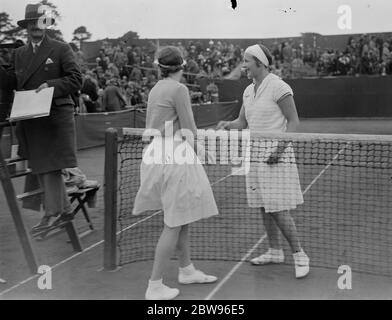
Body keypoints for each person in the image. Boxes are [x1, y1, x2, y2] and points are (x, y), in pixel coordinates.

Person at [132, 46, 219, 300]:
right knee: (174, 223)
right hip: (173, 156)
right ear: (182, 66)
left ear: (160, 67)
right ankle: (155, 285)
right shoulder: (179, 89)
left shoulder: (155, 88)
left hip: (155, 155)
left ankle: (187, 269)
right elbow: (189, 129)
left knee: (180, 218)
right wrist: (202, 152)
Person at [217, 44, 310, 279]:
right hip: (255, 154)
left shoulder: (279, 86)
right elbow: (242, 122)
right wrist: (228, 125)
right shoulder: (248, 90)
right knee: (263, 205)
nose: (243, 65)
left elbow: (294, 121)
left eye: (246, 60)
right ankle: (274, 250)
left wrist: (279, 150)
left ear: (259, 62)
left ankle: (299, 254)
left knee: (278, 208)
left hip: (276, 155)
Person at [0, 3, 82, 235]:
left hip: (55, 117)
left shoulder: (61, 48)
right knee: (42, 166)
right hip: (32, 118)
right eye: (32, 23)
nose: (36, 27)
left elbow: (76, 79)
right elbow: (12, 85)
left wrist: (51, 85)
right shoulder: (19, 54)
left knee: (50, 166)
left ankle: (53, 213)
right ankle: (61, 211)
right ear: (26, 27)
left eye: (40, 22)